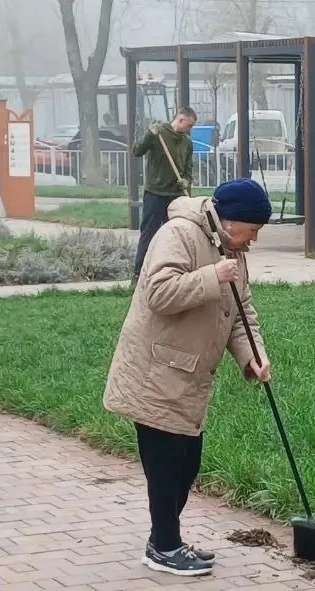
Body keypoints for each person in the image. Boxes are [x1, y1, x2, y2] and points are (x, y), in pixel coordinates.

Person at [103, 177, 274, 577]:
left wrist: (253, 357)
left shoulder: (230, 250)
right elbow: (159, 293)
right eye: (252, 230)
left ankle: (164, 542)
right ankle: (164, 547)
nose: (253, 240)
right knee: (167, 467)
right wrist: (213, 275)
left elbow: (241, 312)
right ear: (231, 221)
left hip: (188, 375)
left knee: (187, 463)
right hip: (156, 371)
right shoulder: (178, 234)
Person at [131, 107, 198, 283]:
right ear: (180, 119)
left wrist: (186, 181)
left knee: (175, 237)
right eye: (189, 125)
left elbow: (188, 169)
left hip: (176, 196)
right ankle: (138, 275)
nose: (190, 129)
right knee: (149, 234)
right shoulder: (158, 133)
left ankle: (170, 275)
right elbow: (136, 151)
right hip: (155, 193)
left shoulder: (187, 142)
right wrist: (148, 135)